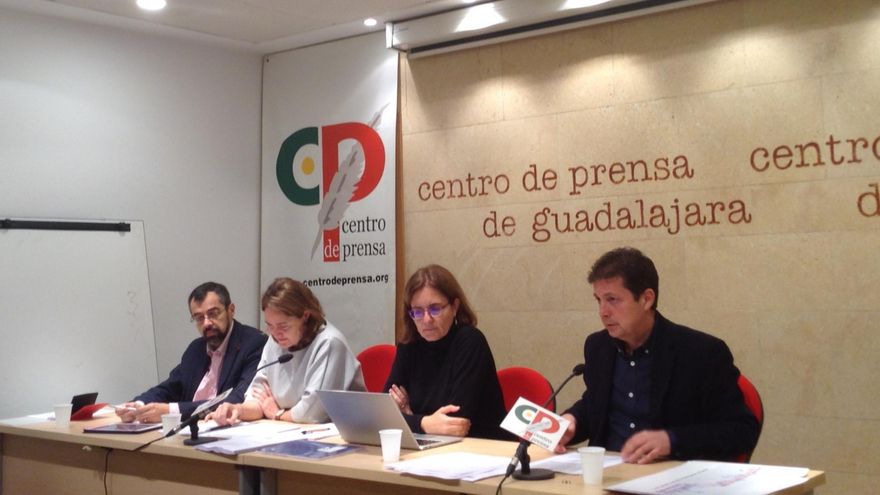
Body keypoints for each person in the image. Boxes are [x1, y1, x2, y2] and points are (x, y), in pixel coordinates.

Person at [557, 247, 760, 463]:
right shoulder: (598, 346)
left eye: (612, 299)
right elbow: (595, 406)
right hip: (606, 472)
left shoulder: (701, 352)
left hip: (670, 473)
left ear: (646, 299)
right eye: (599, 300)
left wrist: (671, 440)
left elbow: (741, 430)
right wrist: (572, 421)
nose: (603, 312)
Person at [209, 277, 364, 425]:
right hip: (289, 429)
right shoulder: (275, 340)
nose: (275, 333)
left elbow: (312, 413)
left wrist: (277, 414)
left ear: (305, 316)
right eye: (270, 325)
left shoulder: (329, 343)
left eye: (283, 326)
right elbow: (258, 396)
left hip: (343, 435)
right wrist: (238, 410)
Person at [384, 264, 507, 439]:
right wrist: (424, 423)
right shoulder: (409, 343)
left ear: (455, 307)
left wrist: (410, 418)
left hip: (481, 445)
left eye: (435, 309)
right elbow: (384, 414)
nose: (426, 319)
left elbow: (455, 423)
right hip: (428, 444)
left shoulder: (470, 341)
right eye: (417, 312)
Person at [115, 282, 267, 423]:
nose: (207, 323)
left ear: (231, 310)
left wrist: (172, 411)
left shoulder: (253, 343)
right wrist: (138, 405)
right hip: (190, 430)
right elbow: (170, 387)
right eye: (199, 318)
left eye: (213, 314)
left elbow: (237, 399)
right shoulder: (196, 348)